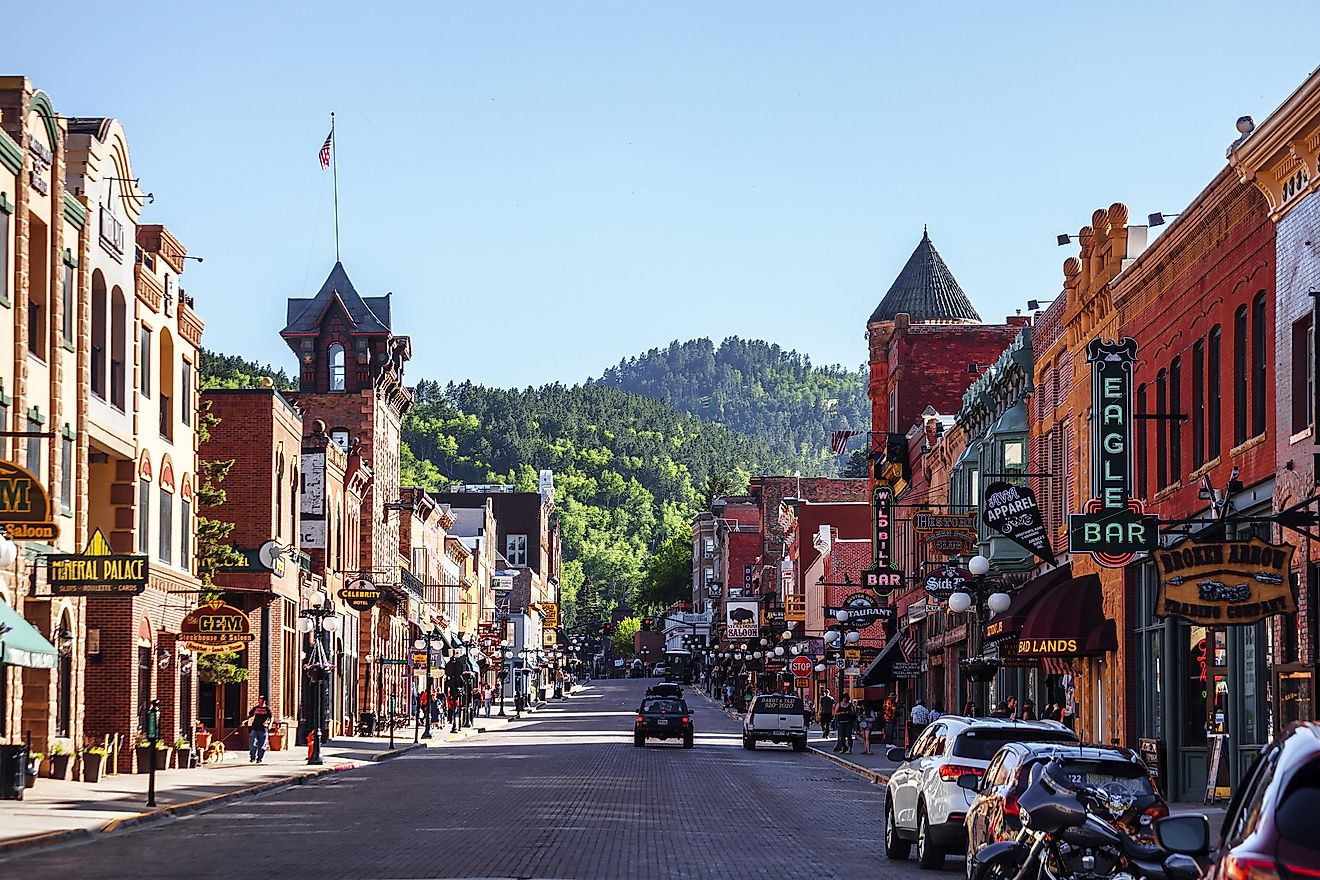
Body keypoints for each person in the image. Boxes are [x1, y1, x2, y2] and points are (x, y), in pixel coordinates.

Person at [247, 695, 273, 764]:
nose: (260, 701)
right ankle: (252, 757)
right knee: (253, 743)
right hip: (255, 728)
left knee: (262, 745)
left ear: (264, 701)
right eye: (259, 700)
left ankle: (259, 758)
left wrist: (270, 724)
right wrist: (245, 721)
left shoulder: (267, 709)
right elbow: (250, 715)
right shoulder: (256, 708)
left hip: (263, 729)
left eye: (262, 700)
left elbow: (271, 717)